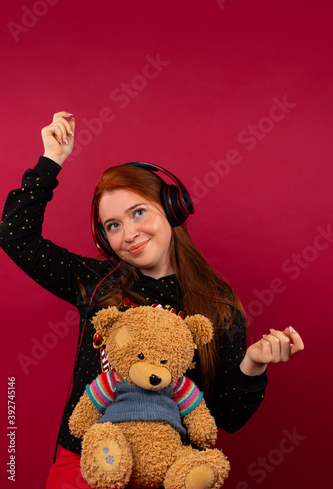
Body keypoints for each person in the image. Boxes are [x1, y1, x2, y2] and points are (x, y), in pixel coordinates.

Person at [0, 111, 304, 488]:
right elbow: (16, 237)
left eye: (138, 212)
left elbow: (226, 417)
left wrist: (253, 364)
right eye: (114, 226)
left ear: (172, 207)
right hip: (88, 462)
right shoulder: (96, 281)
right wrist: (51, 161)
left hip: (167, 468)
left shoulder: (216, 302)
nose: (129, 233)